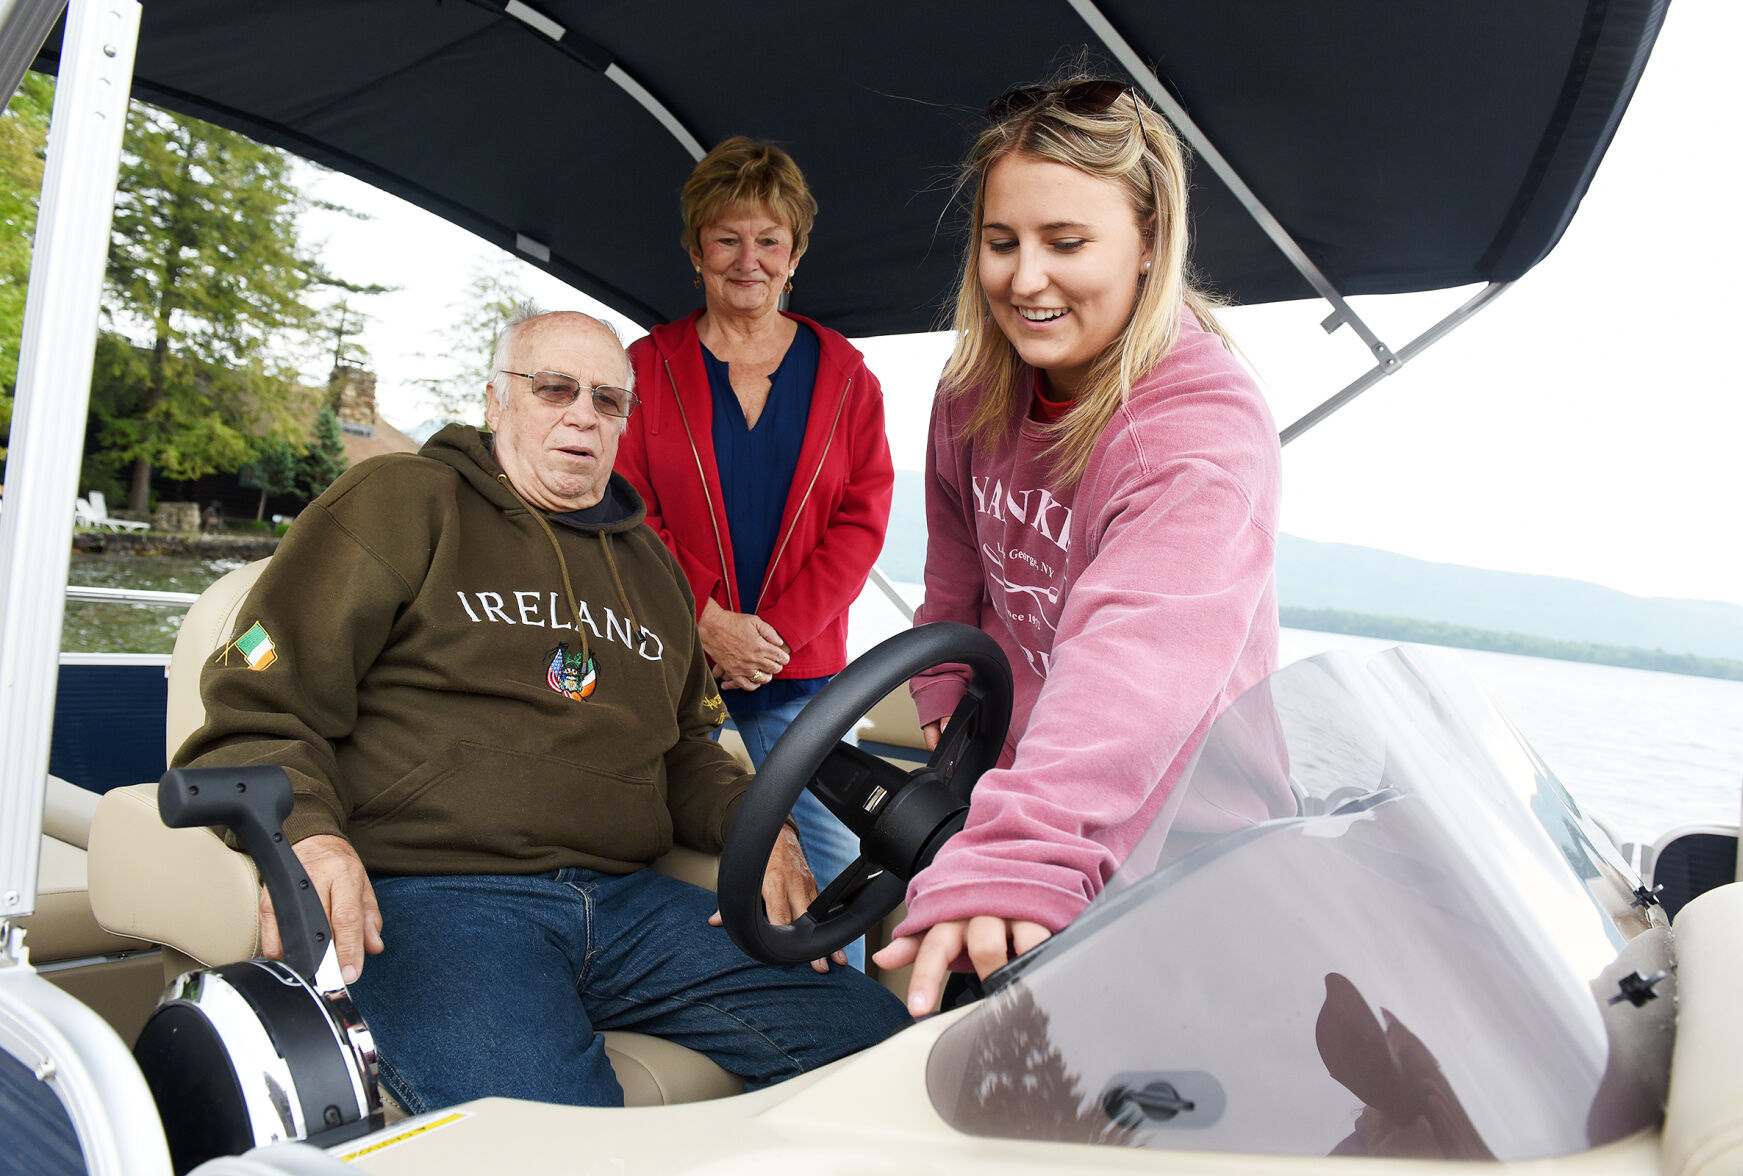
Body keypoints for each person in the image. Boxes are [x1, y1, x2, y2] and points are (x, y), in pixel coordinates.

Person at [175, 308, 908, 1112]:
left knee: (880, 1048)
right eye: (554, 389)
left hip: (632, 908)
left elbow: (687, 753)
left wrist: (759, 829)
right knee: (557, 1141)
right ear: (497, 402)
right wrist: (310, 833)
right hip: (437, 900)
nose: (582, 415)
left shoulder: (657, 570)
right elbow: (257, 705)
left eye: (607, 399)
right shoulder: (403, 501)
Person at [871, 79, 1289, 1014]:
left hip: (1185, 849)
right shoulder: (971, 392)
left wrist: (1019, 850)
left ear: (1149, 245)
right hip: (1027, 801)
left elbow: (1138, 660)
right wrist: (944, 701)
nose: (1025, 280)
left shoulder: (1198, 425)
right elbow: (956, 572)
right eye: (1001, 241)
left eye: (1066, 244)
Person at [619, 137, 893, 967]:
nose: (749, 259)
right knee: (662, 853)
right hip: (669, 663)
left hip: (796, 667)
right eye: (728, 238)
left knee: (831, 868)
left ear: (795, 255)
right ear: (696, 250)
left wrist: (768, 637)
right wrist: (704, 620)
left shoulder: (848, 376)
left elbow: (862, 518)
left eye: (769, 240)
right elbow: (627, 507)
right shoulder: (644, 365)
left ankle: (827, 1036)